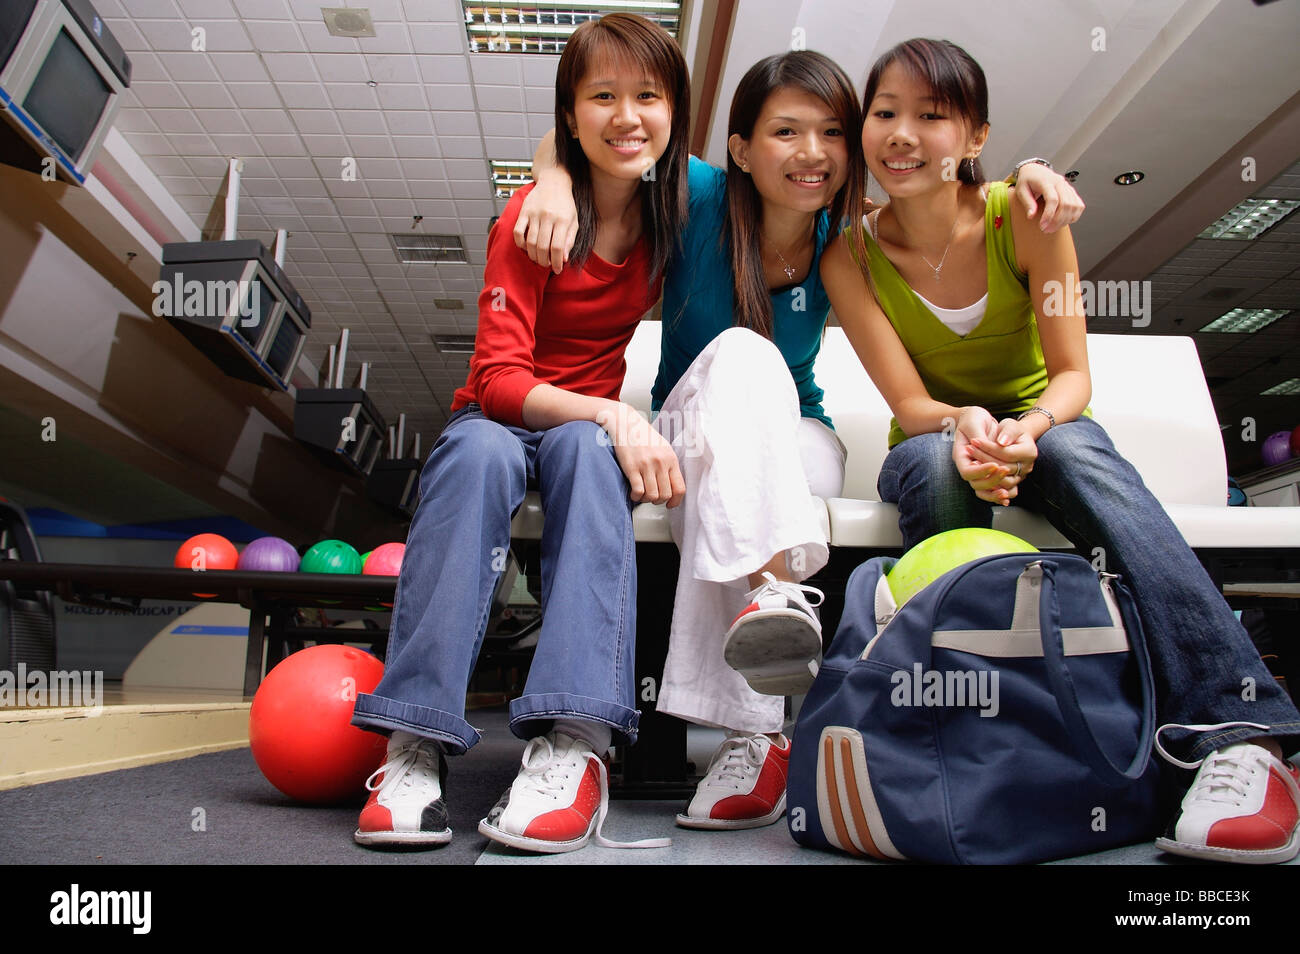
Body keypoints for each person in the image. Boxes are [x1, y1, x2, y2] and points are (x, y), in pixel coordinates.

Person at [520, 50, 1083, 831]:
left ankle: (759, 683)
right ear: (743, 149)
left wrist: (1030, 165)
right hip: (685, 427)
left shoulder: (845, 247)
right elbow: (606, 139)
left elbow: (968, 184)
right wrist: (549, 175)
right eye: (785, 132)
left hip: (796, 441)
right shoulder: (698, 195)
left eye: (829, 133)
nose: (811, 152)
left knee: (745, 482)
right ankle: (760, 707)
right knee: (744, 357)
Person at [820, 36, 1300, 864]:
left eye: (930, 116)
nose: (900, 134)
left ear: (975, 137)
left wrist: (1030, 430)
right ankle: (961, 737)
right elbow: (908, 401)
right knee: (937, 465)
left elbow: (1074, 374)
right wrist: (965, 424)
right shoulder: (850, 254)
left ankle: (1238, 734)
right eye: (884, 113)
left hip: (1048, 423)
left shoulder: (1026, 215)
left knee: (1077, 455)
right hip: (936, 435)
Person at [347, 12, 690, 854]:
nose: (627, 115)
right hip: (501, 417)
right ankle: (415, 744)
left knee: (587, 454)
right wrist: (549, 181)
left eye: (648, 95)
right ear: (570, 115)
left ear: (674, 111)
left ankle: (577, 744)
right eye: (601, 96)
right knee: (478, 454)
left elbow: (797, 181)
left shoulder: (673, 218)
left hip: (574, 435)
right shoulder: (527, 224)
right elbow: (500, 382)